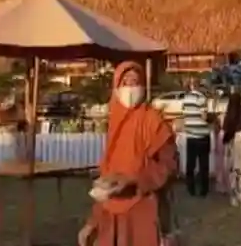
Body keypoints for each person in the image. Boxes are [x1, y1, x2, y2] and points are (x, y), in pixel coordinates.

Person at [78, 61, 178, 246]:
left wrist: (134, 180)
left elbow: (169, 166)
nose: (131, 87)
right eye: (125, 82)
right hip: (111, 213)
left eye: (135, 82)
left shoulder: (153, 121)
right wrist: (92, 223)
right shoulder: (115, 121)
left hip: (143, 210)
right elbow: (107, 175)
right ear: (116, 88)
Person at [221, 92, 241, 208]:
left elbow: (226, 132)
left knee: (233, 172)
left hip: (232, 145)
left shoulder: (228, 117)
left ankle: (234, 197)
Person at [181, 78, 212, 197]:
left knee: (191, 164)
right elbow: (204, 117)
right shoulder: (201, 98)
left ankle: (191, 188)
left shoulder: (186, 99)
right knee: (203, 164)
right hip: (202, 135)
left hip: (190, 135)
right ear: (199, 86)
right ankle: (204, 190)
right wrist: (212, 119)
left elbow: (185, 116)